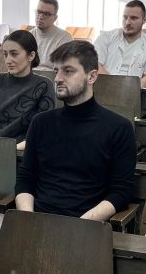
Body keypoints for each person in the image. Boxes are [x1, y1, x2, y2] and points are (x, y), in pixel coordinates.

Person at [15, 41, 136, 221]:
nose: (58, 78)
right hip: (37, 221)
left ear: (91, 76)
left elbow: (121, 192)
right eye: (56, 71)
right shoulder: (41, 123)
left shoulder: (119, 128)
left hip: (86, 225)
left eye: (68, 71)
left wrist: (80, 226)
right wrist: (28, 220)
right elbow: (26, 180)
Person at [0, 30, 55, 149]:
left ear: (31, 56)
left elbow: (42, 129)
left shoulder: (44, 85)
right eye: (5, 54)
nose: (8, 60)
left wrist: (13, 150)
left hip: (21, 151)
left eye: (14, 54)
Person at [95, 0, 146, 88]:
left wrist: (129, 89)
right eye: (125, 17)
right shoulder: (105, 37)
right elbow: (95, 65)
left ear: (144, 20)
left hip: (134, 91)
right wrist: (112, 85)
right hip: (105, 87)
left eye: (133, 18)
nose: (127, 22)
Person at [30, 0, 73, 69]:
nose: (40, 17)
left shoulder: (65, 38)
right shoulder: (28, 36)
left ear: (55, 18)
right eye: (38, 12)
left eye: (46, 14)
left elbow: (63, 69)